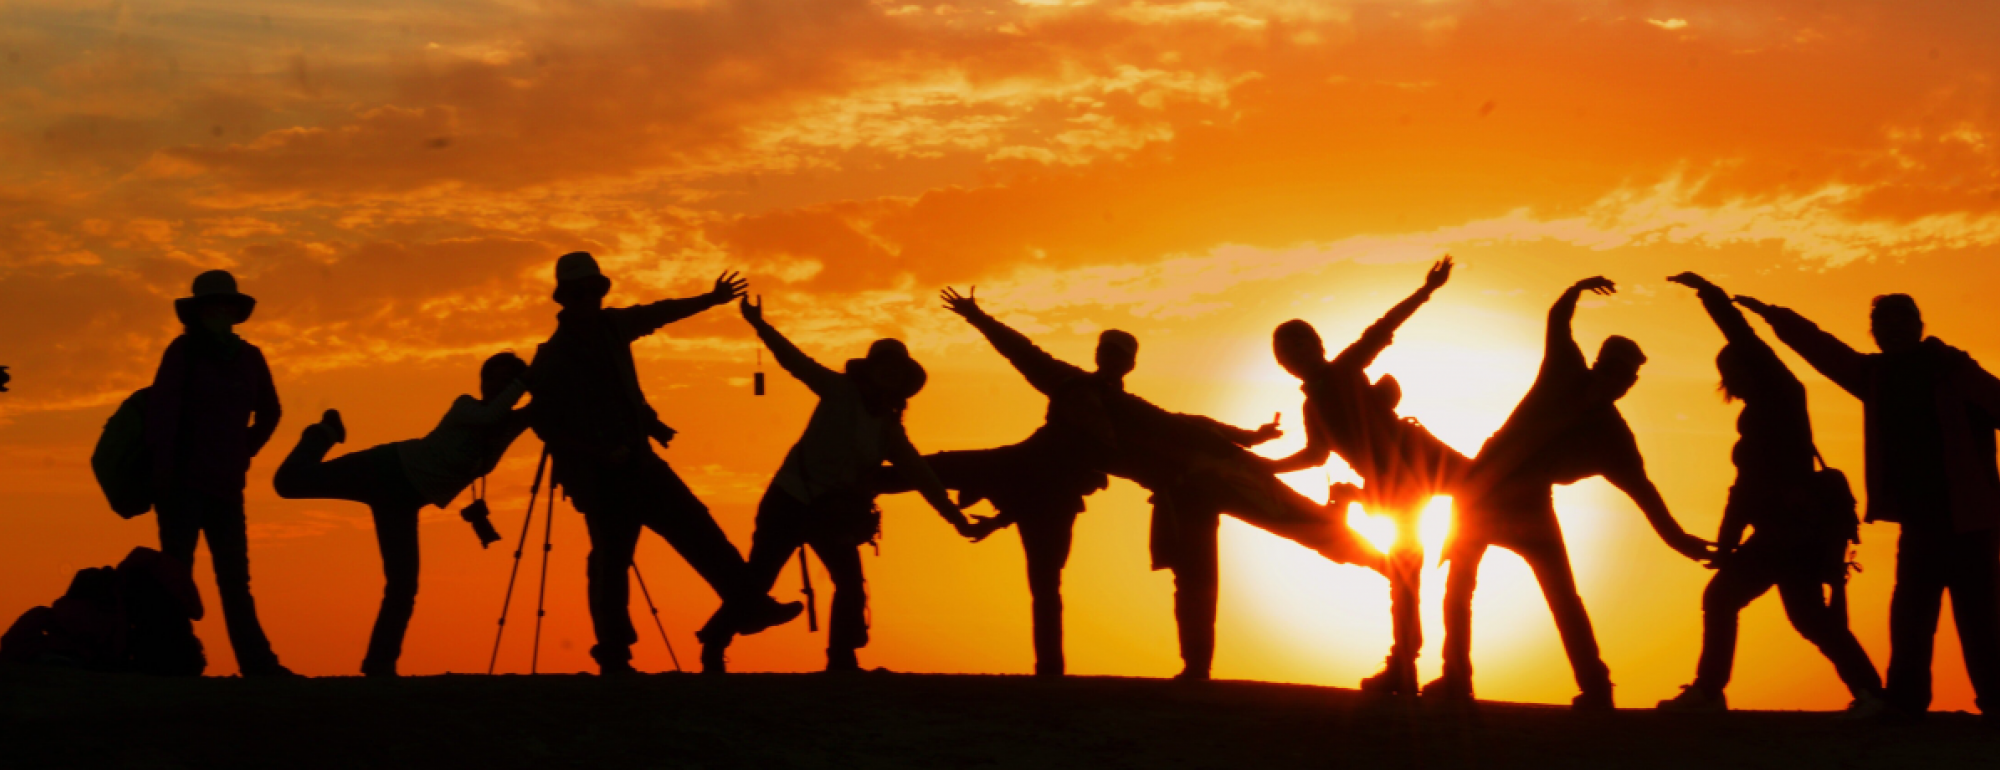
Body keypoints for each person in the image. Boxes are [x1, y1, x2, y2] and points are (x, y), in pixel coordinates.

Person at [940, 287, 1382, 681]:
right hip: (1181, 492)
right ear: (1099, 354)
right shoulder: (1069, 387)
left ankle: (1390, 565)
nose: (1114, 359)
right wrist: (978, 318)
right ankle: (1195, 670)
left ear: (1130, 362)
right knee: (1195, 578)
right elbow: (1023, 352)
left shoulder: (1132, 404)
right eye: (1109, 351)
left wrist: (1250, 438)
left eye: (1122, 354)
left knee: (1310, 527)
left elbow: (1188, 423)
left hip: (1226, 473)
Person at [1430, 276, 1712, 710]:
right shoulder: (1564, 371)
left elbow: (1645, 494)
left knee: (1561, 596)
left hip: (1527, 506)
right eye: (1618, 370)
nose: (1623, 381)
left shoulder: (1613, 438)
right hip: (1485, 491)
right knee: (1460, 589)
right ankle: (1455, 679)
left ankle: (1596, 689)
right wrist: (1575, 290)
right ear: (1601, 366)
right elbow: (1557, 320)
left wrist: (1680, 540)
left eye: (1630, 375)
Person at [526, 252, 799, 676]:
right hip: (601, 479)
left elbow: (660, 313)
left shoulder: (614, 327)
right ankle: (615, 656)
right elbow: (544, 425)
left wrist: (711, 300)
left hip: (639, 463)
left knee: (698, 528)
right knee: (612, 564)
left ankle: (749, 606)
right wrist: (598, 453)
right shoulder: (553, 357)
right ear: (565, 298)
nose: (589, 299)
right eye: (580, 292)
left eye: (594, 290)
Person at [1737, 290, 2000, 721]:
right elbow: (1824, 350)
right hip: (1920, 521)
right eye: (1883, 325)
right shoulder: (1875, 376)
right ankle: (1905, 703)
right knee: (1911, 617)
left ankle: (1993, 704)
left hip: (1970, 520)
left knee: (1978, 619)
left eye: (1901, 323)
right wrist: (1775, 317)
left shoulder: (1952, 369)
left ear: (1918, 327)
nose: (1891, 331)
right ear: (1875, 333)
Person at [708, 296, 986, 673]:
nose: (890, 372)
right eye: (884, 364)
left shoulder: (889, 428)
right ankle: (714, 641)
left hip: (831, 513)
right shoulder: (838, 390)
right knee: (759, 578)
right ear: (870, 369)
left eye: (897, 368)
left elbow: (921, 474)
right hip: (788, 500)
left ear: (903, 379)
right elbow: (794, 361)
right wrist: (760, 326)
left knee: (851, 585)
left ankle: (841, 660)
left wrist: (954, 517)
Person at [1655, 273, 1886, 714]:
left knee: (1724, 599)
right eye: (1728, 373)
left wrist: (1711, 295)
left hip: (1788, 531)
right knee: (1810, 619)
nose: (1732, 380)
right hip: (1791, 532)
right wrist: (1727, 542)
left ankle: (1708, 692)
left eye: (1736, 370)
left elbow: (1744, 337)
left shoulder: (1780, 396)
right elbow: (1743, 491)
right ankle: (1872, 695)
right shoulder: (1763, 411)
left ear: (1750, 369)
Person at [1265, 256, 1470, 697]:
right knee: (1406, 575)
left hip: (1421, 461)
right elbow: (1315, 455)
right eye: (1288, 351)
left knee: (1492, 497)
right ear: (1284, 364)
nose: (1297, 355)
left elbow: (1381, 329)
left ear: (1317, 346)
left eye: (1302, 344)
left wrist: (1426, 289)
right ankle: (1405, 665)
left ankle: (1436, 670)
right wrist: (1267, 465)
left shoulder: (1343, 369)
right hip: (1392, 490)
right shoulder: (1311, 405)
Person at [272, 352, 533, 676]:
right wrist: (524, 380)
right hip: (387, 469)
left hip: (404, 499)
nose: (498, 386)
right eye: (494, 378)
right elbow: (492, 415)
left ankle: (379, 663)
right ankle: (322, 433)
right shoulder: (466, 407)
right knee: (288, 482)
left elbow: (538, 411)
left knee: (404, 584)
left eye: (507, 380)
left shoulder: (506, 425)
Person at [144, 269, 294, 677]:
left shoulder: (249, 358)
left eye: (225, 305)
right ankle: (171, 662)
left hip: (226, 486)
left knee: (234, 581)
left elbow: (270, 412)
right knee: (176, 575)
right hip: (180, 484)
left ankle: (257, 665)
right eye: (213, 305)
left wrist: (244, 450)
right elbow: (162, 414)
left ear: (233, 310)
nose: (220, 311)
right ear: (199, 311)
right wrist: (161, 470)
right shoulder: (182, 353)